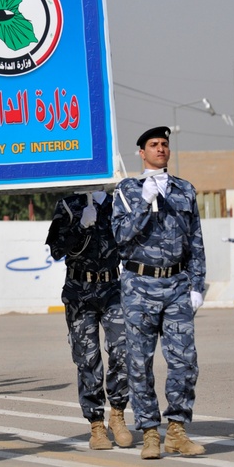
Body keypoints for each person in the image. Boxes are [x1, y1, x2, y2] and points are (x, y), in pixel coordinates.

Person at [111, 126, 206, 460]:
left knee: (184, 361)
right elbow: (120, 236)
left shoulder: (184, 190)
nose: (161, 149)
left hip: (177, 285)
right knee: (139, 362)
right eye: (154, 145)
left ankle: (177, 430)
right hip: (139, 286)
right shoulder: (126, 190)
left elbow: (195, 240)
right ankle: (150, 431)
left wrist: (197, 285)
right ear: (142, 152)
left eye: (165, 144)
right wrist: (144, 204)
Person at [46, 185, 133, 450]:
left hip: (112, 289)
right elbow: (56, 249)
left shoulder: (120, 205)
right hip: (79, 292)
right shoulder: (68, 205)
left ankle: (117, 415)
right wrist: (81, 227)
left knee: (124, 351)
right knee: (87, 359)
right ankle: (96, 424)